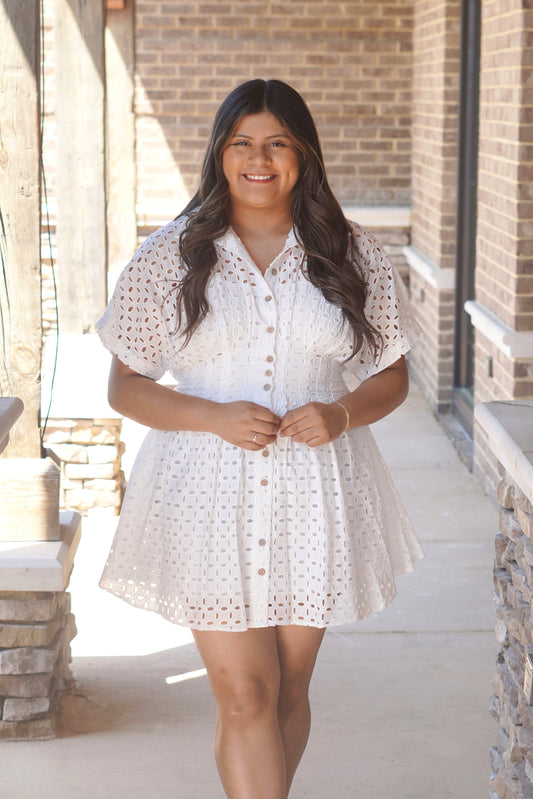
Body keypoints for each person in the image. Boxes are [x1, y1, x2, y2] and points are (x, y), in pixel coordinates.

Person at [96, 78, 423, 799]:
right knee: (244, 693)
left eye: (277, 142)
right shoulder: (171, 255)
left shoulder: (349, 252)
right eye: (241, 142)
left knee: (285, 688)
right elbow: (124, 385)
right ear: (218, 154)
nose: (258, 158)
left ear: (302, 154)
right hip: (205, 495)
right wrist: (212, 415)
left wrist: (340, 413)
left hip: (316, 491)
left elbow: (391, 376)